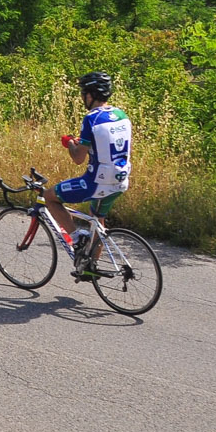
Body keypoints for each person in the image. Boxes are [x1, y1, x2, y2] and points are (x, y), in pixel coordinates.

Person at [43, 71, 131, 277]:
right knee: (97, 220)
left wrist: (70, 144)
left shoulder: (91, 119)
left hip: (96, 182)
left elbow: (78, 158)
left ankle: (75, 238)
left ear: (91, 95)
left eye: (84, 93)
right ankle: (89, 267)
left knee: (49, 197)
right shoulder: (122, 115)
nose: (83, 97)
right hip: (120, 180)